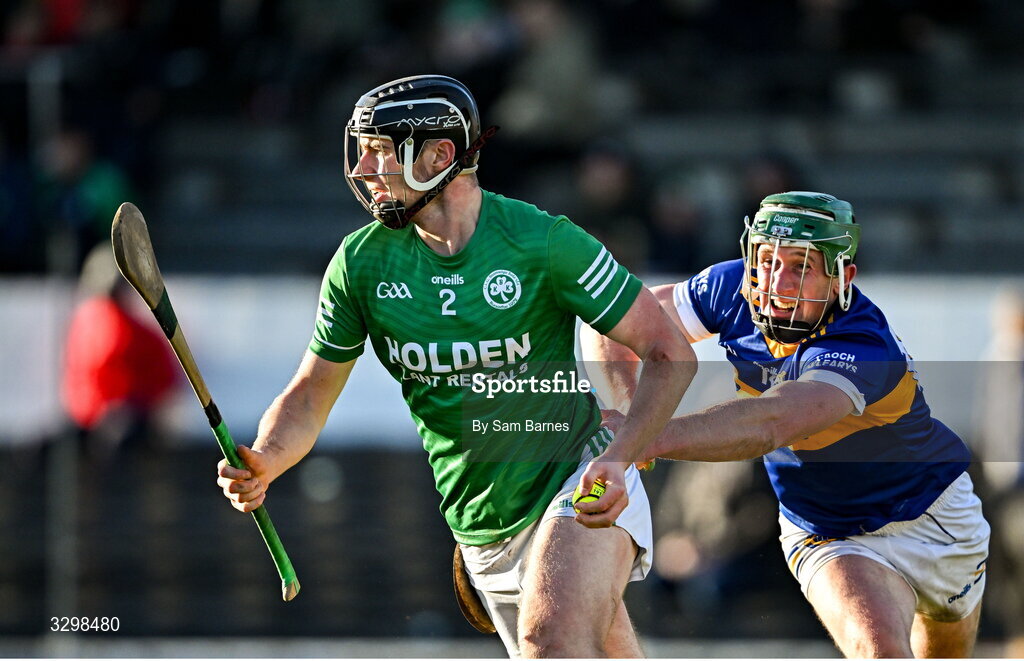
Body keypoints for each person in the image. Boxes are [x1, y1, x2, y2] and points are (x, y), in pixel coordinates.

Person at [215, 74, 695, 657]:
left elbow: (670, 353)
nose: (364, 168)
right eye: (362, 148)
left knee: (552, 643)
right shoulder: (360, 265)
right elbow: (312, 393)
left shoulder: (544, 242)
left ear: (442, 155)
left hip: (578, 479)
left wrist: (621, 457)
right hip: (479, 527)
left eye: (382, 150)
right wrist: (266, 457)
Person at [582, 191, 990, 658]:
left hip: (935, 514)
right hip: (826, 529)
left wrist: (640, 438)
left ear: (843, 278)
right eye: (769, 260)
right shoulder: (731, 287)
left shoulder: (862, 344)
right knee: (882, 651)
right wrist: (633, 413)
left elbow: (771, 422)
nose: (779, 282)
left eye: (802, 266)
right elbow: (613, 320)